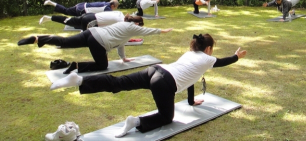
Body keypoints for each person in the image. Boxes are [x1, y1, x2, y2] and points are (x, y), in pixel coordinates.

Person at [49, 33, 247, 137]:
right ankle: (135, 122)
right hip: (164, 82)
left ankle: (80, 80)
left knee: (118, 83)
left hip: (155, 70)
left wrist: (190, 101)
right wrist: (236, 57)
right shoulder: (207, 59)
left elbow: (191, 77)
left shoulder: (191, 54)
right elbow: (223, 62)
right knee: (166, 117)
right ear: (209, 48)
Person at [18, 15, 173, 74]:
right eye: (140, 24)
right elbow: (148, 31)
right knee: (102, 65)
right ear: (137, 23)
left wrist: (123, 58)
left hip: (91, 33)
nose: (140, 26)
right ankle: (76, 66)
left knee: (65, 42)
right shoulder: (132, 27)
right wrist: (163, 31)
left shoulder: (122, 26)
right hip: (98, 42)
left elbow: (120, 44)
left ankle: (38, 38)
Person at [39, 11, 126, 31]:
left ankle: (49, 18)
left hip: (90, 15)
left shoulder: (120, 13)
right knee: (86, 38)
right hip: (91, 20)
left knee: (69, 21)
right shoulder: (121, 22)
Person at [43, 0, 119, 17]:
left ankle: (51, 3)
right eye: (115, 8)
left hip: (81, 5)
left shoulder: (105, 3)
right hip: (83, 10)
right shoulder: (107, 8)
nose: (114, 9)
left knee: (66, 11)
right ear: (113, 5)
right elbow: (112, 16)